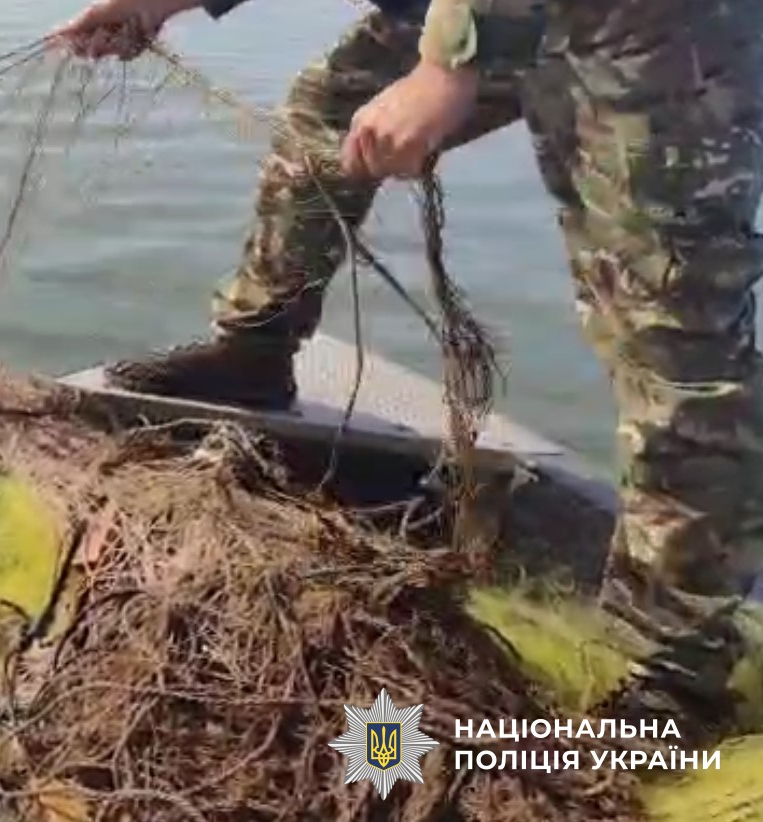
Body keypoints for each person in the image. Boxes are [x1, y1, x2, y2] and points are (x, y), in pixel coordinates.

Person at [53, 0, 763, 739]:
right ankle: (255, 351)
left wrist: (447, 64)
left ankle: (676, 676)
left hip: (650, 27)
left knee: (674, 332)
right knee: (331, 116)